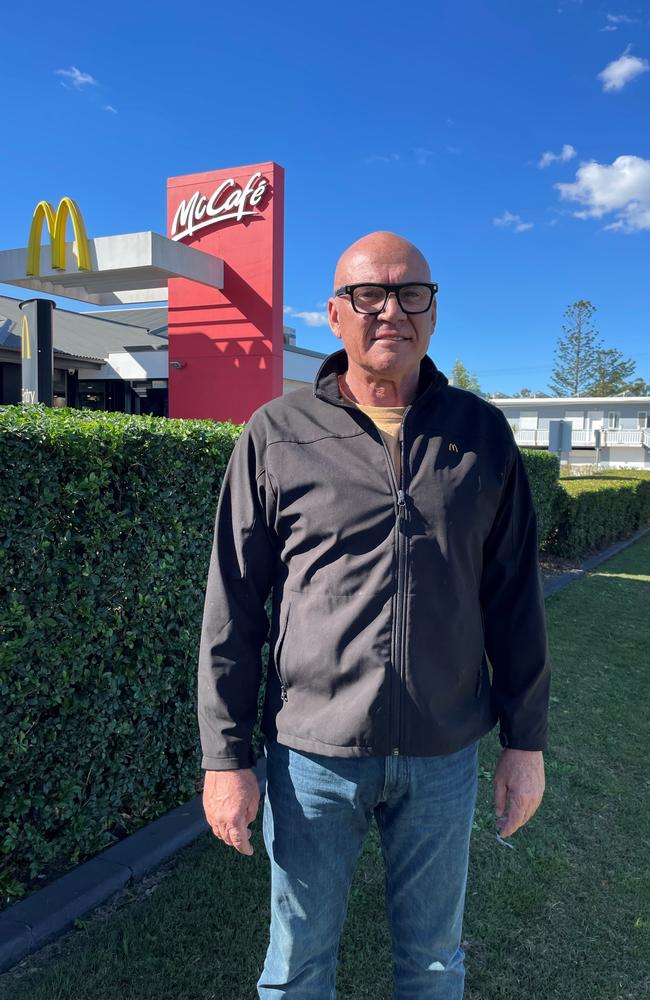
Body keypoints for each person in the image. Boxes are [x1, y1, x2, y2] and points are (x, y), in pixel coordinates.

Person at [198, 231, 551, 999]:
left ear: (434, 313)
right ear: (334, 313)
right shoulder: (276, 435)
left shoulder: (481, 435)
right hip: (311, 759)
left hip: (444, 754)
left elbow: (515, 600)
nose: (391, 309)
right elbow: (232, 607)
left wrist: (526, 744)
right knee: (295, 970)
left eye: (410, 293)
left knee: (432, 966)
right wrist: (225, 758)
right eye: (369, 294)